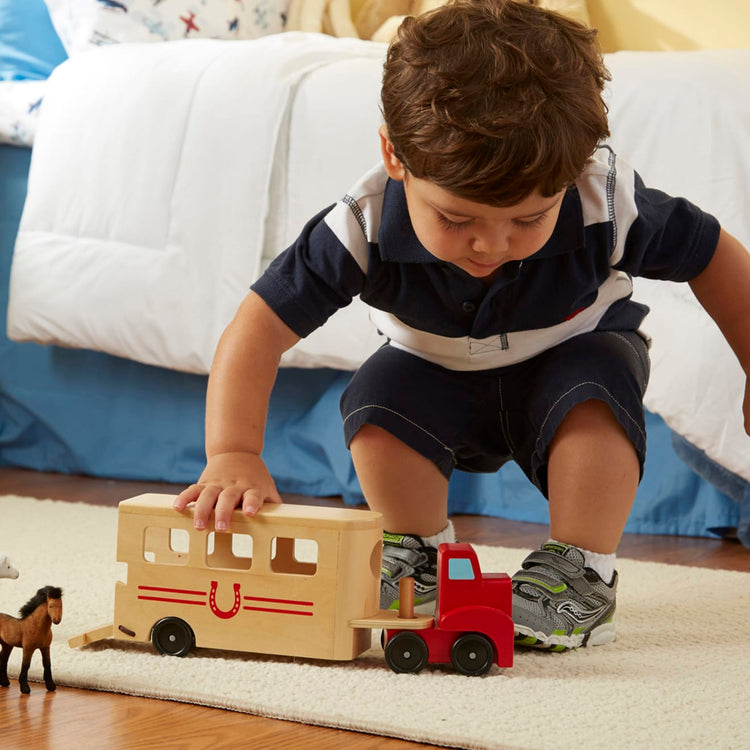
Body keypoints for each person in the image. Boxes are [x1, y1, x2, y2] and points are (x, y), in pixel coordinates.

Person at [175, 0, 750, 649]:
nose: (491, 245)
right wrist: (233, 453)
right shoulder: (361, 224)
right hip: (433, 373)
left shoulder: (601, 199)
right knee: (375, 403)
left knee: (598, 400)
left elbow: (714, 256)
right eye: (456, 220)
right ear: (394, 155)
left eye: (527, 221)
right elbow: (258, 328)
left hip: (570, 354)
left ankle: (579, 574)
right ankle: (418, 553)